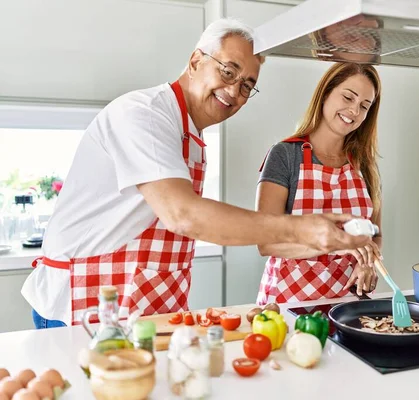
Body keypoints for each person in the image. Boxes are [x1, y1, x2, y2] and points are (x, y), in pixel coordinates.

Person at [21, 19, 371, 328]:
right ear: (195, 61)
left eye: (247, 85)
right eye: (228, 71)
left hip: (145, 309)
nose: (234, 91)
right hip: (84, 305)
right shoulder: (143, 115)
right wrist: (304, 229)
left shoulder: (192, 136)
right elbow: (183, 215)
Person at [255, 62, 383, 305]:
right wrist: (336, 247)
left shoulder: (364, 165)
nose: (354, 111)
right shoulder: (285, 155)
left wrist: (369, 263)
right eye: (348, 97)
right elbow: (266, 242)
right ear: (325, 93)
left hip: (350, 304)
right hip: (290, 303)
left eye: (364, 106)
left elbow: (376, 235)